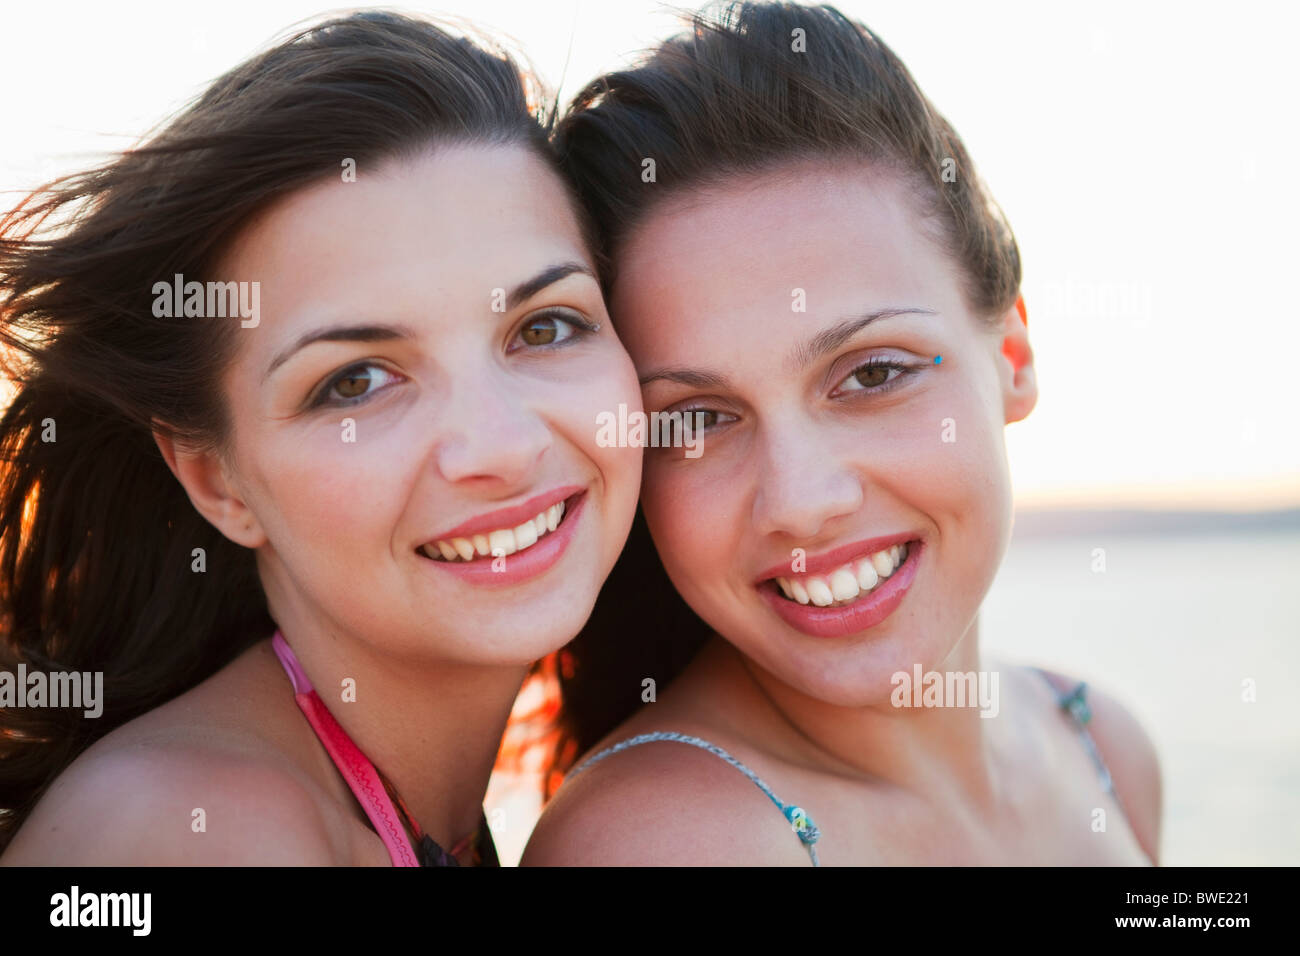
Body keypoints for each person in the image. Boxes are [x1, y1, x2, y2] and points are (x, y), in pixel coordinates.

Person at [524, 0, 1161, 866]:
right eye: (699, 420)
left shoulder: (1103, 747)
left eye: (871, 374)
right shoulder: (667, 845)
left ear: (1010, 352)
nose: (802, 501)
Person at [0, 11, 642, 865]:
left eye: (545, 326)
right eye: (356, 382)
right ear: (216, 480)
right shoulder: (184, 833)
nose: (500, 445)